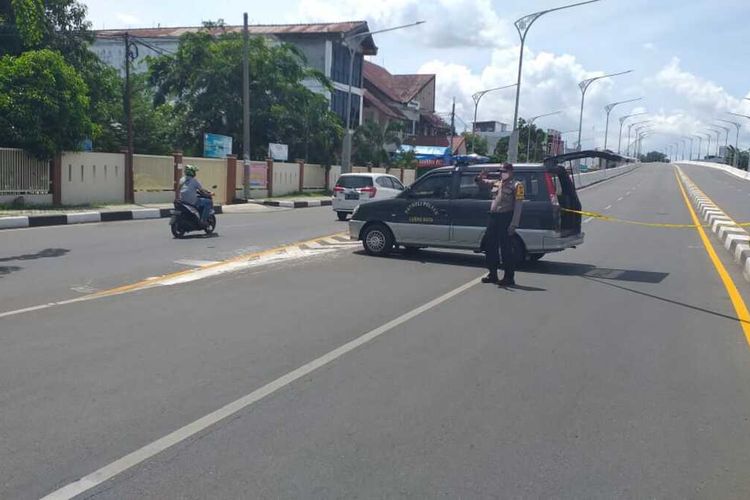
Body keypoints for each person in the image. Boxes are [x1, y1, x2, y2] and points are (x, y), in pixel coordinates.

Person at [475, 163, 524, 286]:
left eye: (505, 171)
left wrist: (514, 224)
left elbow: (518, 207)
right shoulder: (497, 183)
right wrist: (481, 176)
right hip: (494, 218)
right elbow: (481, 183)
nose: (502, 173)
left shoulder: (517, 186)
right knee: (490, 246)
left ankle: (509, 277)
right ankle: (493, 274)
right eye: (501, 171)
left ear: (511, 172)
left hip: (506, 218)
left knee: (506, 248)